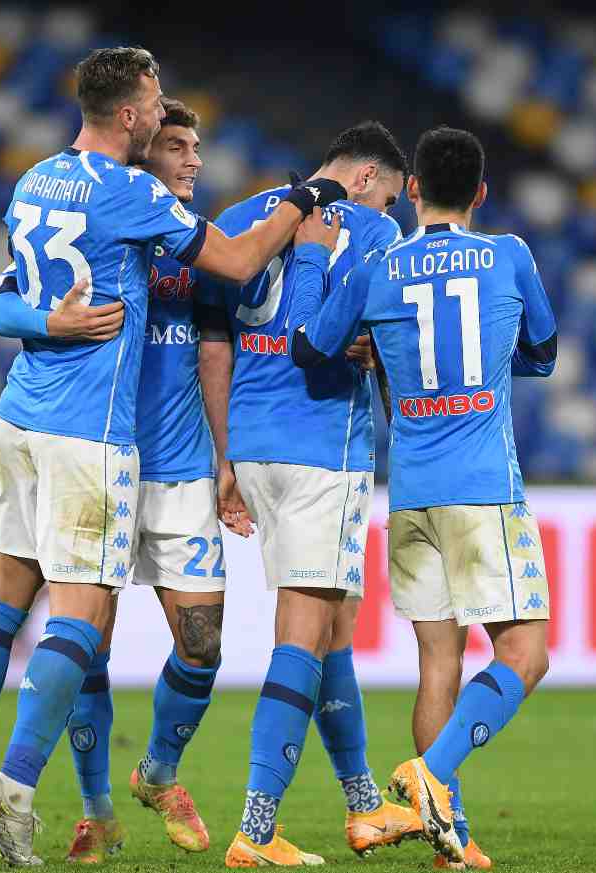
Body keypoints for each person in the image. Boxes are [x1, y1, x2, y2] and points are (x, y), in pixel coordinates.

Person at [0, 45, 346, 867]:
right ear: (132, 122)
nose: (174, 129)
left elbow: (5, 300)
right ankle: (44, 796)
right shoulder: (131, 200)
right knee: (82, 623)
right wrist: (308, 195)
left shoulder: (43, 182)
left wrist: (230, 460)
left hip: (52, 427)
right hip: (94, 436)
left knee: (55, 605)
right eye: (162, 117)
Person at [0, 97, 248, 862]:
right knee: (87, 643)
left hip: (182, 469)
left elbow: (216, 356)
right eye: (177, 145)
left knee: (202, 644)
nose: (193, 159)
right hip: (98, 456)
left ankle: (157, 772)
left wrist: (228, 462)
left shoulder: (198, 247)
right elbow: (0, 301)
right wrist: (49, 323)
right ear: (142, 154)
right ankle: (95, 808)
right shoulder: (106, 227)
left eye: (197, 144)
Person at [290, 126, 556, 866]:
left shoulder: (381, 263)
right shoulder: (509, 255)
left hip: (410, 493)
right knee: (526, 655)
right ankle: (432, 773)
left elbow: (312, 348)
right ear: (480, 192)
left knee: (438, 662)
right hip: (484, 490)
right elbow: (543, 348)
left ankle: (451, 838)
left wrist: (363, 340)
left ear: (412, 191)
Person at [197, 122, 424, 867]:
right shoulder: (375, 231)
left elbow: (215, 343)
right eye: (387, 192)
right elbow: (329, 332)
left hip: (256, 446)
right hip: (325, 445)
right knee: (304, 630)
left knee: (332, 626)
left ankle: (363, 803)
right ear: (363, 179)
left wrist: (225, 452)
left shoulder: (241, 218)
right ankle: (256, 830)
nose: (389, 206)